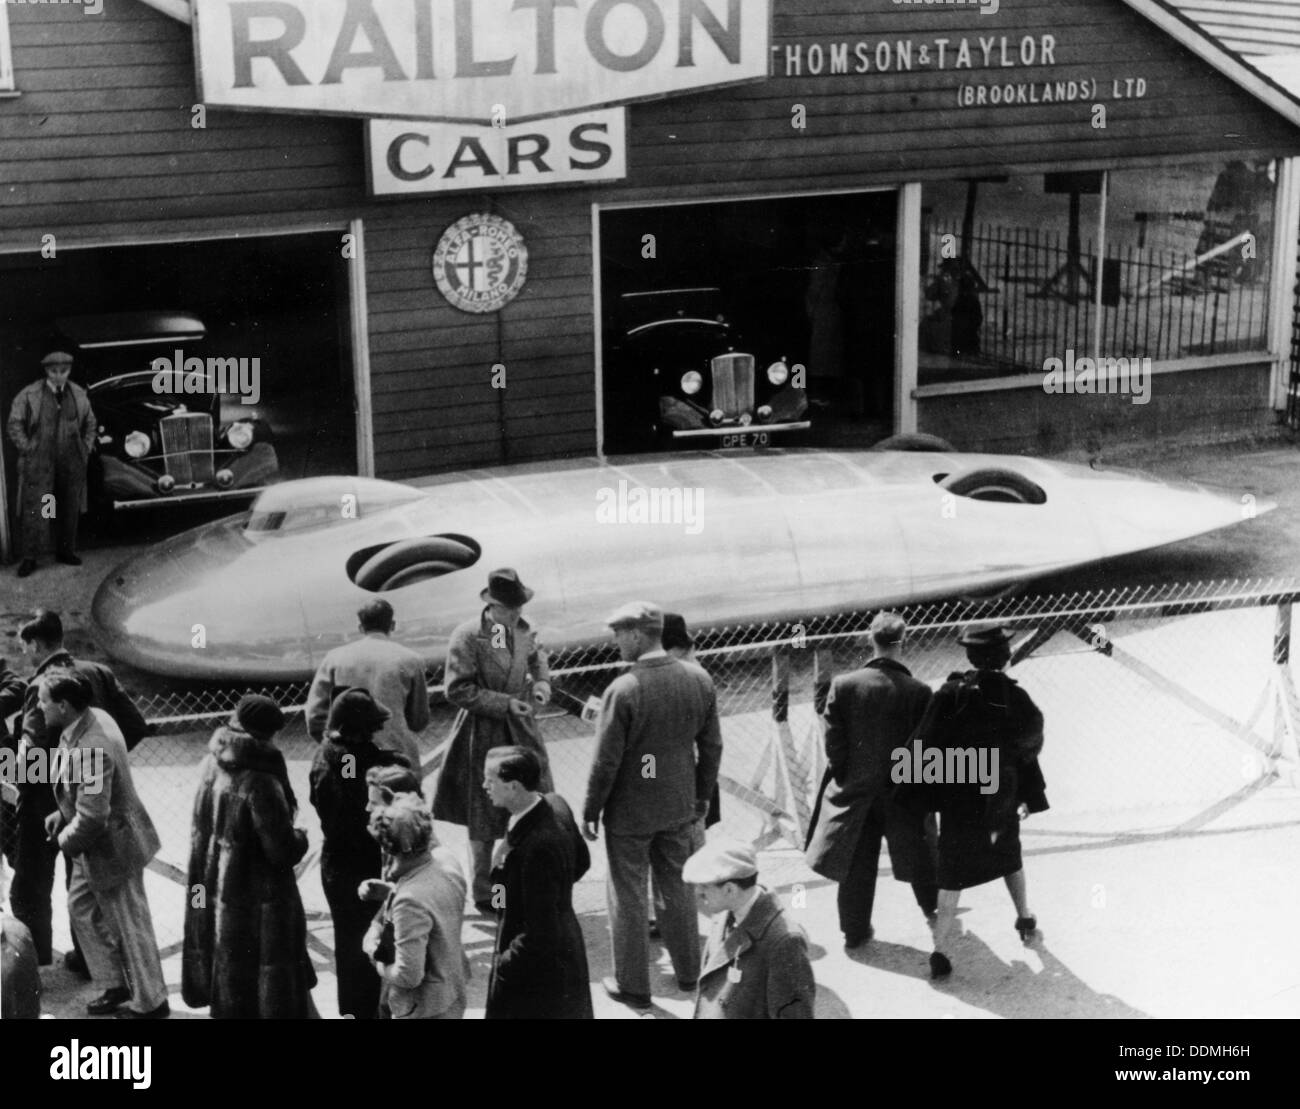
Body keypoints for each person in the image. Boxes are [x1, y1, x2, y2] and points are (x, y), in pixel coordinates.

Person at [582, 601, 722, 1009]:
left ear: (638, 635)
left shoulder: (623, 689)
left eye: (619, 635)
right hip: (679, 804)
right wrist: (701, 796)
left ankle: (634, 987)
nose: (615, 642)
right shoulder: (698, 679)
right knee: (677, 889)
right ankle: (689, 975)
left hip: (629, 814)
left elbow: (606, 761)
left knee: (627, 896)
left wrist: (591, 809)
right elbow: (711, 746)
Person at [899, 622, 1048, 979]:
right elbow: (1028, 749)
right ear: (1005, 656)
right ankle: (1025, 918)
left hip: (959, 802)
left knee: (951, 874)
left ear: (969, 655)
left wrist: (912, 792)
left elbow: (924, 745)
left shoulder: (949, 694)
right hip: (1000, 799)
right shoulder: (1016, 697)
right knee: (1009, 855)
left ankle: (941, 952)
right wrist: (1029, 794)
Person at [8, 610, 148, 972]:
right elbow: (134, 725)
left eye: (26, 648)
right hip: (89, 800)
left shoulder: (41, 686)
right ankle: (89, 959)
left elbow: (31, 757)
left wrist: (25, 777)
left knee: (31, 887)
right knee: (83, 882)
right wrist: (98, 770)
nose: (26, 655)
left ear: (36, 645)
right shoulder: (99, 672)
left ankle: (32, 959)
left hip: (44, 805)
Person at [804, 612, 938, 947]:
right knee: (919, 853)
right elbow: (924, 749)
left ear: (870, 639)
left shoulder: (844, 685)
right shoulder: (919, 691)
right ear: (902, 641)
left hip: (856, 790)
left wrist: (848, 776)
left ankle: (855, 931)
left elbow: (833, 743)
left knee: (855, 862)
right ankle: (933, 910)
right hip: (901, 793)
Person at [40, 670, 168, 1018]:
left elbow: (94, 817)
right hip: (96, 846)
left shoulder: (91, 749)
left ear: (64, 706)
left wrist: (64, 840)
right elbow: (83, 797)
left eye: (44, 702)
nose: (40, 708)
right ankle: (116, 984)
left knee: (131, 924)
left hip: (113, 848)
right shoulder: (91, 718)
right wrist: (62, 814)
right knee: (82, 909)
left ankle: (152, 1002)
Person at [182, 694, 317, 1018]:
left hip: (216, 893)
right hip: (261, 904)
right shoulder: (262, 781)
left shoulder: (210, 763)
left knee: (234, 982)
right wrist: (301, 838)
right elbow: (281, 850)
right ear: (270, 734)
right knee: (272, 985)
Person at [433, 568, 554, 914]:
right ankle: (486, 893)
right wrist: (503, 704)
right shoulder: (468, 636)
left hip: (522, 731)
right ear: (491, 605)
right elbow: (456, 689)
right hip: (482, 733)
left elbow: (537, 658)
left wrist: (542, 683)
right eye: (509, 608)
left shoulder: (524, 629)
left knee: (534, 804)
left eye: (519, 606)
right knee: (484, 816)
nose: (516, 613)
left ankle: (529, 881)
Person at [309, 688, 411, 1019]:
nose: (374, 733)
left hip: (338, 864)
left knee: (350, 945)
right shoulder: (347, 761)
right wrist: (386, 765)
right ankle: (366, 1012)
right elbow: (354, 788)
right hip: (356, 865)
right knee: (366, 946)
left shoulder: (328, 753)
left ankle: (356, 1011)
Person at [482, 745, 592, 1019]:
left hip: (538, 971)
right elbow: (582, 861)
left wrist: (504, 964)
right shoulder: (555, 804)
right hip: (564, 944)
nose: (485, 786)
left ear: (514, 787)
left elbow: (539, 935)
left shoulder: (537, 847)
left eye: (490, 780)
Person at [361, 793, 469, 1020]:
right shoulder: (447, 860)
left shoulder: (408, 900)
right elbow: (434, 907)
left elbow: (407, 975)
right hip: (452, 991)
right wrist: (392, 891)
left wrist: (372, 952)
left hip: (423, 1008)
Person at [684, 837, 815, 1020]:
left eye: (704, 886)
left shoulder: (784, 941)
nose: (697, 893)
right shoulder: (724, 912)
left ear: (730, 890)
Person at [648, 612, 720, 938]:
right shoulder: (699, 675)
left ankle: (687, 921)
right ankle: (685, 917)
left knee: (677, 856)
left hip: (675, 780)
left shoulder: (677, 677)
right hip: (695, 779)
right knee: (688, 852)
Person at [305, 599, 430, 773]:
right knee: (399, 797)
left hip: (349, 758)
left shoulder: (335, 658)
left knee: (351, 795)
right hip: (396, 755)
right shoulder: (411, 659)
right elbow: (419, 720)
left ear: (360, 627)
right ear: (392, 625)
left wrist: (336, 745)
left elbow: (314, 717)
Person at [6, 350, 97, 578]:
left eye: (63, 371)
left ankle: (65, 551)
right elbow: (14, 424)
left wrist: (84, 449)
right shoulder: (30, 394)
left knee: (68, 506)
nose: (59, 376)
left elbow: (91, 423)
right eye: (54, 371)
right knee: (42, 506)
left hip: (70, 460)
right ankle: (31, 557)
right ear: (47, 371)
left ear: (69, 371)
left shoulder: (78, 394)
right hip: (41, 460)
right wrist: (28, 448)